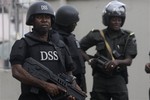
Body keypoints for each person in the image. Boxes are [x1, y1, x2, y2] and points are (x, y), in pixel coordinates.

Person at [9, 1, 78, 100]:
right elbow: (17, 71)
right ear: (32, 20)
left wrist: (72, 91)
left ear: (51, 21)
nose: (44, 20)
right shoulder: (23, 43)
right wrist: (44, 85)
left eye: (47, 17)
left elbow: (69, 73)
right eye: (39, 17)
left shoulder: (60, 45)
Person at [79, 0, 137, 100]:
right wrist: (90, 59)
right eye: (114, 19)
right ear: (107, 20)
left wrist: (117, 62)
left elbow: (129, 61)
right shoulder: (97, 35)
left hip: (118, 79)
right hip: (100, 79)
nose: (117, 22)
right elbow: (78, 48)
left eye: (119, 20)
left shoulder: (128, 37)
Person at [54, 5, 87, 93]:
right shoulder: (57, 38)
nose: (76, 25)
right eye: (74, 23)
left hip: (79, 77)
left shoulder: (70, 36)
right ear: (66, 23)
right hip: (69, 80)